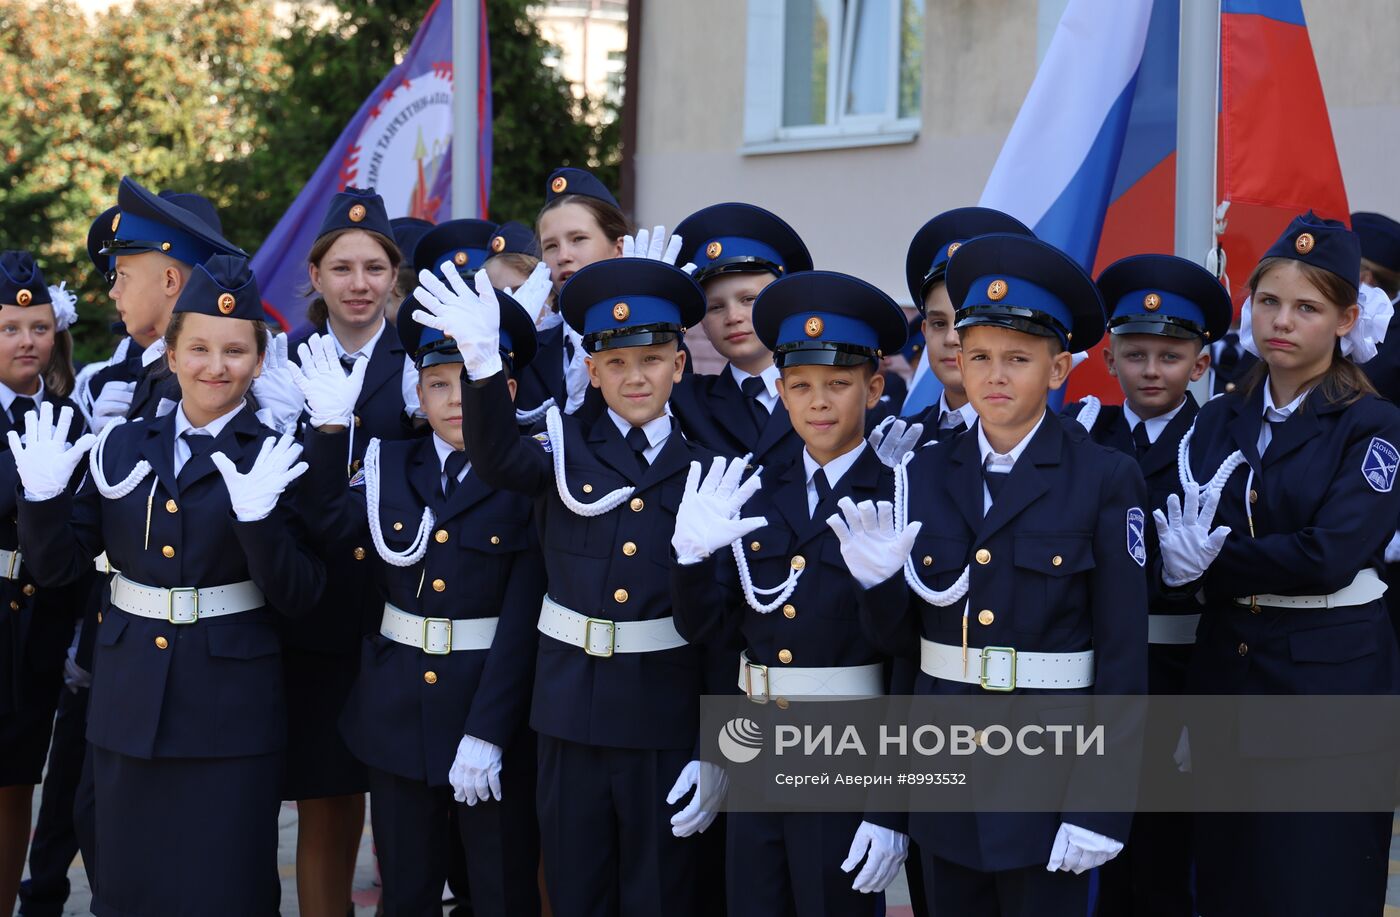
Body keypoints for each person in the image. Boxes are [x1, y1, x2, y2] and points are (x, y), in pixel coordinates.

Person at [836, 233, 1149, 916]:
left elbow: (1124, 660)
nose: (995, 375)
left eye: (1018, 358)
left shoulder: (1103, 477)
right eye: (979, 356)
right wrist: (880, 583)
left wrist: (1101, 804)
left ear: (1060, 368)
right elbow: (901, 653)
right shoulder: (920, 471)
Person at [412, 255, 726, 917]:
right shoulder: (561, 448)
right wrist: (482, 367)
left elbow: (722, 628)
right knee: (577, 889)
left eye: (650, 359)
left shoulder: (709, 469)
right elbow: (496, 458)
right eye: (615, 363)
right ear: (592, 371)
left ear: (678, 363)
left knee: (661, 892)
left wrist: (716, 746)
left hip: (663, 716)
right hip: (569, 715)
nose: (633, 376)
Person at [12, 254, 323, 916]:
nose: (218, 365)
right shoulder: (121, 446)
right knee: (127, 892)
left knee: (229, 891)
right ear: (173, 355)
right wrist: (39, 503)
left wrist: (259, 524)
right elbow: (62, 570)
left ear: (260, 361)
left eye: (236, 350)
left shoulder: (277, 453)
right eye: (201, 348)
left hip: (231, 710)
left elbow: (301, 595)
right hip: (129, 705)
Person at [1155, 212, 1400, 916]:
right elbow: (1182, 529)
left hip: (1331, 680)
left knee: (1315, 883)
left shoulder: (1372, 424)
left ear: (1347, 318)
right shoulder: (1217, 417)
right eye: (1268, 302)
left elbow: (1330, 554)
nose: (1281, 322)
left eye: (1306, 307)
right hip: (1230, 671)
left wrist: (1212, 561)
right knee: (1230, 882)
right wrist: (1185, 564)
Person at [293, 279, 545, 916]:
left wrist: (490, 731)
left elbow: (523, 618)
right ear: (418, 391)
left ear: (506, 391)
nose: (455, 398)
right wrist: (328, 435)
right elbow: (328, 528)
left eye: (469, 381)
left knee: (499, 886)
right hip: (399, 711)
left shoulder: (532, 474)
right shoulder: (385, 465)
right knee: (405, 889)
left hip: (493, 712)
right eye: (437, 383)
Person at [668, 269, 911, 915]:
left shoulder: (899, 495)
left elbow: (910, 659)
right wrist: (689, 561)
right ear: (779, 391)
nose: (819, 402)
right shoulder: (755, 489)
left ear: (875, 386)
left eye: (838, 384)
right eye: (801, 386)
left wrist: (892, 805)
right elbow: (715, 634)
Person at [1064, 253, 1231, 916]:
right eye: (1135, 354)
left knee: (1168, 859)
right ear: (1109, 361)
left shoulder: (1221, 440)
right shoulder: (1082, 436)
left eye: (1170, 355)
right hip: (1094, 672)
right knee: (1095, 848)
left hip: (1180, 671)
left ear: (1200, 362)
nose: (1152, 370)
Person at [285, 185, 409, 917]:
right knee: (325, 804)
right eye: (342, 268)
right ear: (317, 276)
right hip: (319, 614)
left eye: (373, 267)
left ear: (394, 274)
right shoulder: (284, 360)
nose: (358, 284)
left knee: (406, 815)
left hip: (402, 610)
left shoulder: (426, 356)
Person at [0, 253, 89, 917]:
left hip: (39, 631)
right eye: (9, 328)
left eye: (38, 326)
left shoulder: (69, 417)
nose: (27, 341)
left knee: (14, 791)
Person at [667, 202, 814, 473]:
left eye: (749, 299)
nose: (732, 317)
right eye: (715, 307)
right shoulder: (683, 400)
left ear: (785, 303)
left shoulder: (826, 393)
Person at [85, 178, 245, 427]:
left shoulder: (229, 374)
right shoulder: (118, 379)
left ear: (170, 281)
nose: (113, 293)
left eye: (123, 275)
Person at [898, 207, 1033, 445]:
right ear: (924, 332)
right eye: (939, 323)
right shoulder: (898, 440)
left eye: (966, 322)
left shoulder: (1048, 441)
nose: (952, 338)